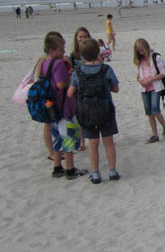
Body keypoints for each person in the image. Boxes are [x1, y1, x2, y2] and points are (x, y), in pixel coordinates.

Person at [67, 38, 119, 184]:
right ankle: (112, 171)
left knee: (93, 143)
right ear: (98, 52)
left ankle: (96, 173)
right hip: (105, 110)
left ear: (82, 55)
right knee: (109, 142)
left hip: (86, 112)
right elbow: (116, 88)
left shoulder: (77, 72)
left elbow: (70, 93)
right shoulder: (106, 70)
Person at [37, 32, 85, 179]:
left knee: (57, 138)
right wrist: (70, 75)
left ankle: (57, 167)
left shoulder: (44, 62)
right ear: (52, 50)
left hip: (51, 106)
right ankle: (70, 169)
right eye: (60, 50)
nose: (63, 52)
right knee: (68, 138)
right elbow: (60, 84)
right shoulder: (57, 64)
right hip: (63, 106)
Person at [133, 38, 165, 144]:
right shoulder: (139, 60)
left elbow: (162, 73)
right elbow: (138, 74)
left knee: (155, 109)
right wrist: (140, 80)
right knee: (149, 112)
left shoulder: (155, 57)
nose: (141, 53)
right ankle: (155, 134)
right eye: (139, 51)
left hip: (155, 87)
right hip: (144, 88)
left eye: (142, 50)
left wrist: (150, 80)